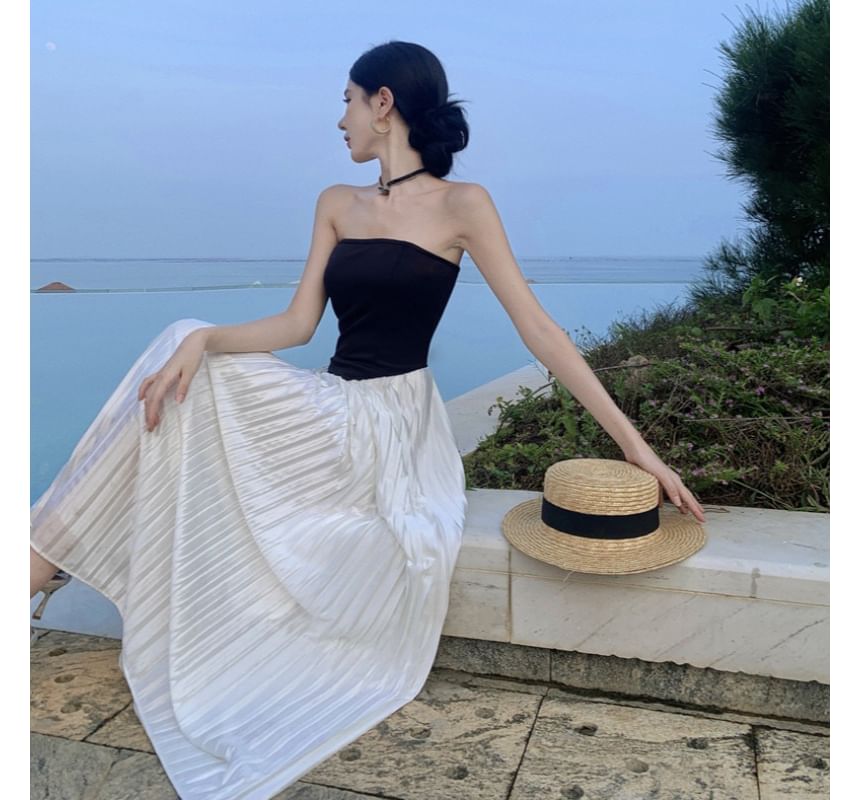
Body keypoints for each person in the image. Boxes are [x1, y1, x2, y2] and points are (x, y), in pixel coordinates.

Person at [30, 40, 705, 799]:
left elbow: (540, 331)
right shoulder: (336, 203)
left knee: (182, 355)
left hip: (391, 428)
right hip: (331, 404)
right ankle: (42, 559)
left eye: (347, 101)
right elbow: (297, 325)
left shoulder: (463, 204)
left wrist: (638, 449)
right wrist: (207, 339)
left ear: (384, 104)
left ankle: (39, 561)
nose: (340, 119)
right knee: (182, 341)